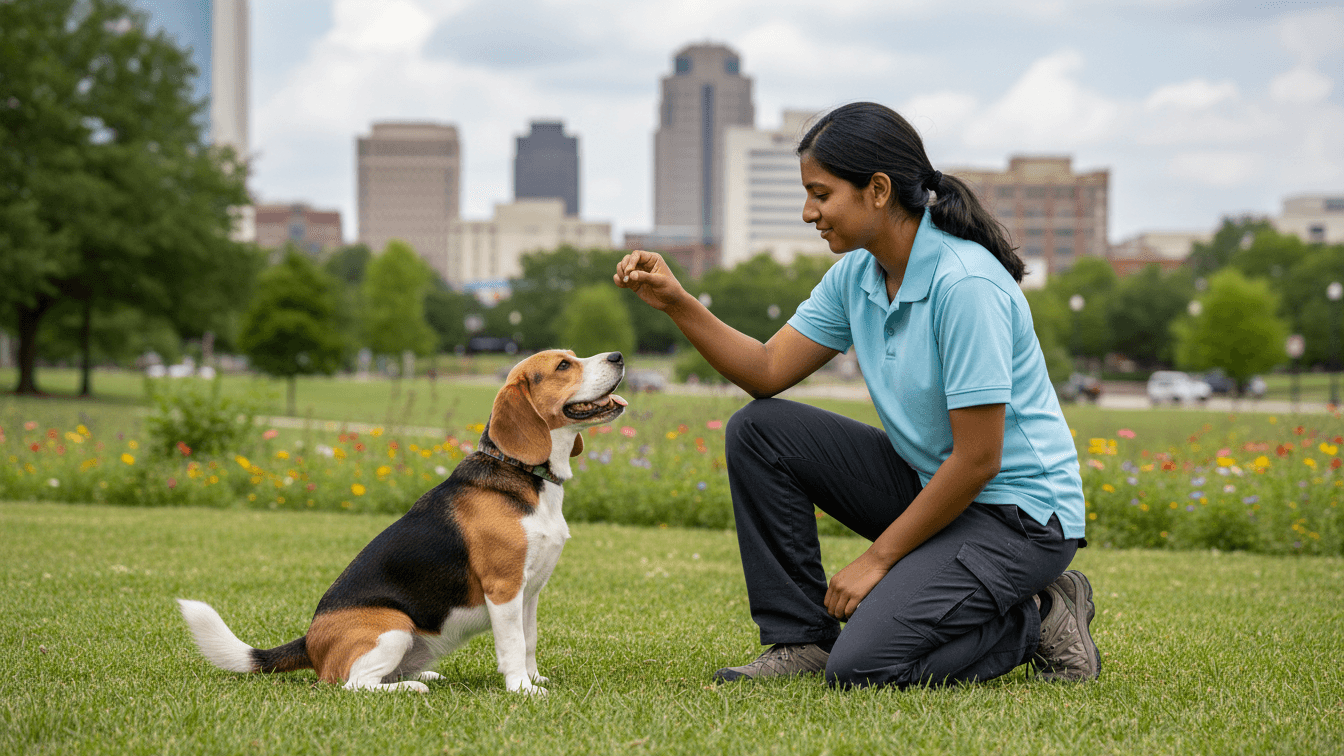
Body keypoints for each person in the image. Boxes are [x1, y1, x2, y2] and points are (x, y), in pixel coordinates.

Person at [613, 102, 1099, 689]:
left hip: (1019, 518)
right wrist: (677, 302)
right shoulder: (857, 276)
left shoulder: (965, 284)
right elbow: (767, 370)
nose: (808, 212)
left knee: (864, 668)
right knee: (760, 430)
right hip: (937, 488)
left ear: (877, 190)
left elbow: (978, 460)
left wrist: (876, 560)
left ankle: (1041, 616)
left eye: (821, 194)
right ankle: (800, 639)